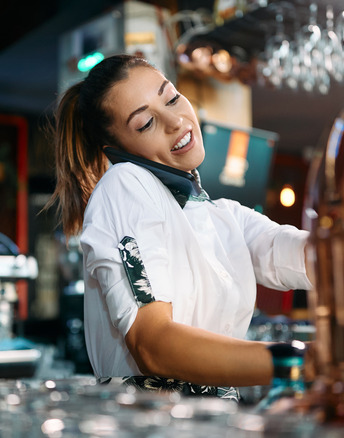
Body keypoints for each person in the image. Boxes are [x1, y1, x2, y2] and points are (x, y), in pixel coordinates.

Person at [46, 54, 312, 399]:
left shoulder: (217, 214)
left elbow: (287, 251)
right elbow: (153, 344)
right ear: (117, 151)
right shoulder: (124, 185)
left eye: (171, 97)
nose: (175, 120)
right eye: (145, 123)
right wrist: (303, 362)